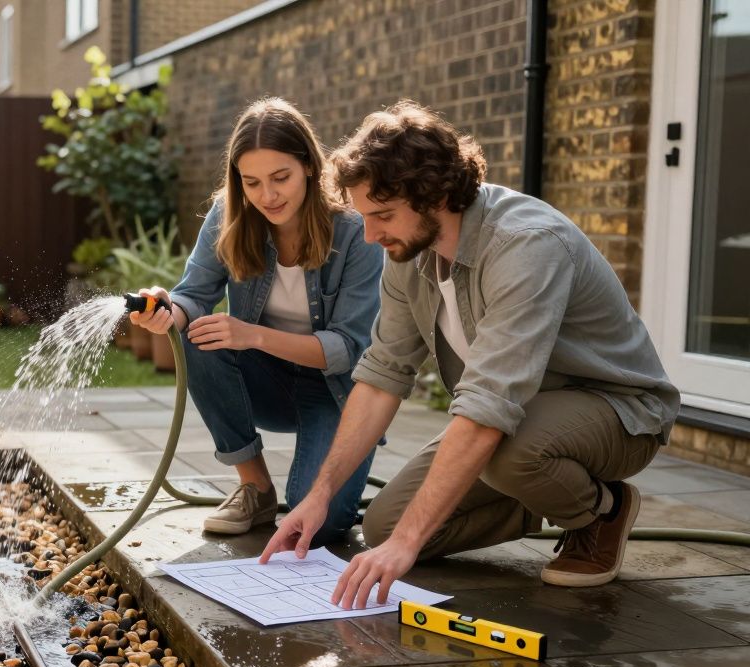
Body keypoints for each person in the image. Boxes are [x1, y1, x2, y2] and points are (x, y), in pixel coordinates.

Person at [260, 100, 680, 607]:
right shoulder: (407, 249)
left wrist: (407, 546)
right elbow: (381, 374)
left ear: (434, 194)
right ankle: (542, 487)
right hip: (519, 417)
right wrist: (321, 494)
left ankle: (601, 511)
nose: (371, 236)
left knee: (500, 460)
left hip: (618, 410)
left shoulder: (526, 244)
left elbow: (487, 407)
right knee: (385, 525)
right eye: (366, 217)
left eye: (384, 216)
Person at [131, 97, 383, 542]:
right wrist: (168, 309)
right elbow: (193, 295)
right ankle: (256, 487)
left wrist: (252, 335)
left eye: (280, 178)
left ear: (308, 164)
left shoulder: (355, 230)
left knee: (318, 526)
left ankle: (321, 487)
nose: (267, 196)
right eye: (252, 182)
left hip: (334, 392)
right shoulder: (228, 217)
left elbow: (347, 349)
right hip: (265, 383)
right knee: (197, 334)